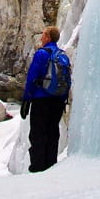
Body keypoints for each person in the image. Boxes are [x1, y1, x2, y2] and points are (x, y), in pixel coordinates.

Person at [20, 26, 69, 172]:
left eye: (43, 35)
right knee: (52, 132)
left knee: (38, 133)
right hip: (58, 100)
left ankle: (37, 167)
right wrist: (63, 99)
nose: (41, 38)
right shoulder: (63, 55)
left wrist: (27, 99)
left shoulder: (41, 54)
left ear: (48, 37)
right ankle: (51, 164)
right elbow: (67, 80)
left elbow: (32, 77)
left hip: (41, 99)